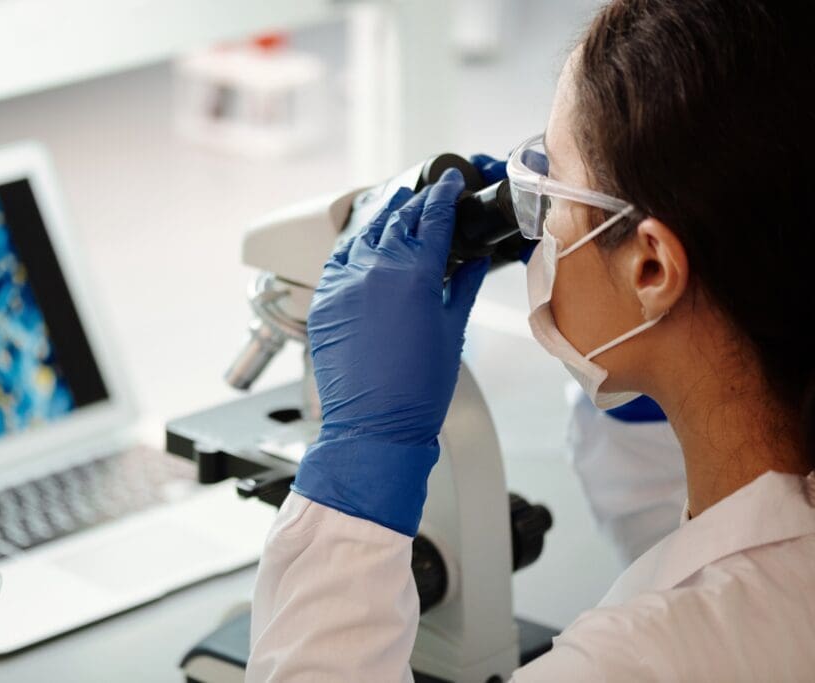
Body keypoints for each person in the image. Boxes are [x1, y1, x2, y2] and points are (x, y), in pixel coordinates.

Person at [246, 0, 815, 680]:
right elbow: (703, 547)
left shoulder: (639, 659)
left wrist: (362, 453)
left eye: (553, 175)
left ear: (652, 266)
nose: (528, 209)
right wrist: (662, 380)